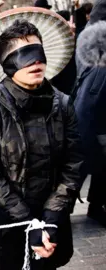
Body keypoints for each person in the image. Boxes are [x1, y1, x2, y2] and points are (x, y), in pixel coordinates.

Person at [0, 19, 83, 270]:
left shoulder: (63, 104)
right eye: (24, 54)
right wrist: (28, 222)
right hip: (3, 231)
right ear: (7, 64)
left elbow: (73, 161)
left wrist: (53, 215)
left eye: (38, 52)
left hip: (51, 226)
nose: (35, 61)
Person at [74, 2, 106, 227]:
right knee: (82, 166)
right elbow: (88, 101)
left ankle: (95, 205)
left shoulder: (88, 38)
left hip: (93, 122)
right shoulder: (100, 61)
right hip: (92, 125)